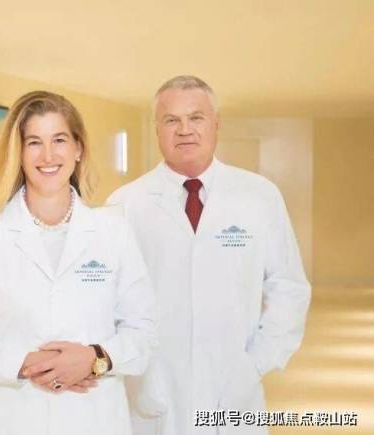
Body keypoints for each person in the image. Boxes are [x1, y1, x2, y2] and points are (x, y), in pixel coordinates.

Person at [0, 90, 156, 435]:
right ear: (19, 153)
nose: (48, 155)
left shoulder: (113, 230)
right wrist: (29, 364)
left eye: (59, 140)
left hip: (94, 419)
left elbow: (143, 332)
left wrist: (94, 359)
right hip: (12, 419)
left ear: (78, 148)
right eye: (34, 142)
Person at [107, 75, 311, 435]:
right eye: (171, 120)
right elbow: (105, 301)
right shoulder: (124, 205)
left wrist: (255, 364)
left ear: (216, 123)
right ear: (157, 129)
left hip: (234, 387)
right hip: (153, 389)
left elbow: (289, 287)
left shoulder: (259, 196)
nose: (184, 130)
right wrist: (135, 368)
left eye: (196, 117)